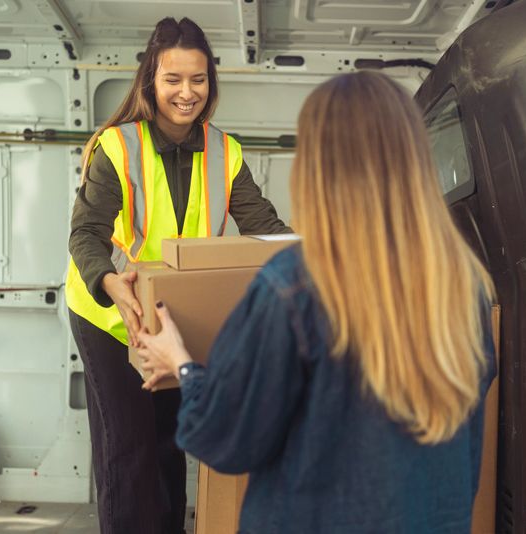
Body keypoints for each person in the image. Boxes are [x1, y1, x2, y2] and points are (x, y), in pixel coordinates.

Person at [137, 70, 497, 533]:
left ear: (317, 167)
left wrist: (182, 364)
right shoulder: (464, 285)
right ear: (415, 162)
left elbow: (224, 437)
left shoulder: (294, 286)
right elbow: (464, 458)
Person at [65, 17, 290, 534]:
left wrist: (318, 260)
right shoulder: (117, 147)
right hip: (109, 316)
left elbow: (266, 228)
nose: (187, 93)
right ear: (151, 81)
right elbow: (86, 234)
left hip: (169, 319)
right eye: (173, 80)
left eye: (198, 79)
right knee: (130, 455)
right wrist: (109, 284)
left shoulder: (225, 151)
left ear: (210, 82)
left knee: (170, 446)